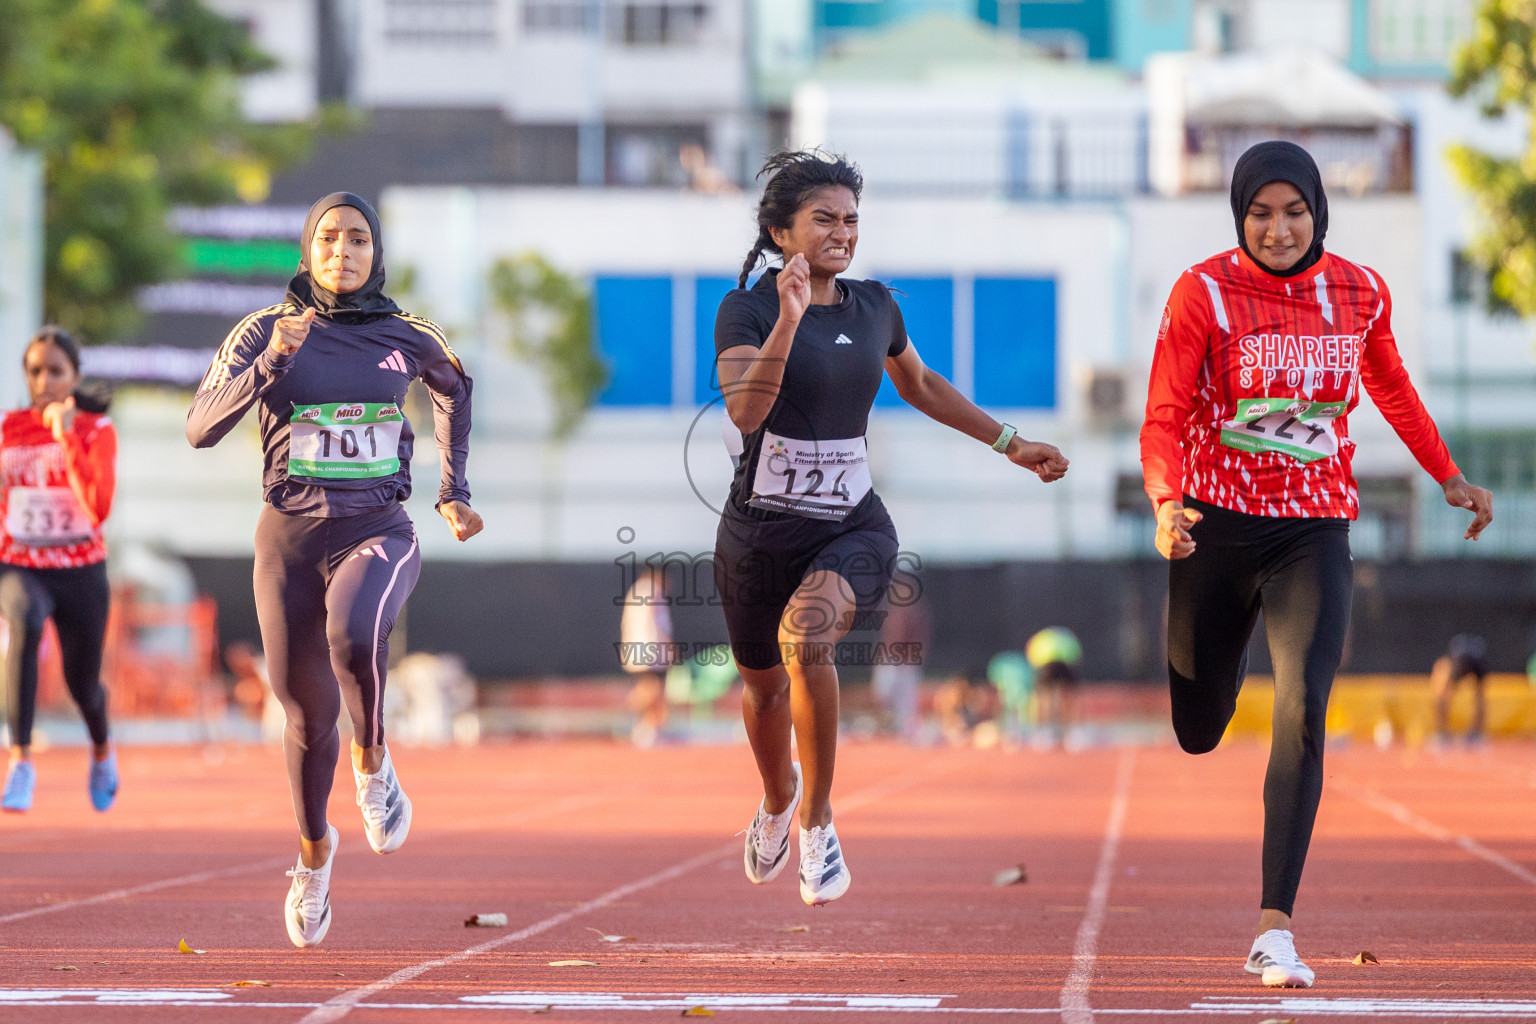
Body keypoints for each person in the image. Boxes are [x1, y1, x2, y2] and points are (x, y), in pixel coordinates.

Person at [1141, 141, 1494, 988]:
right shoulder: (1204, 293)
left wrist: (1446, 473)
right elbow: (1163, 412)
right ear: (1239, 218)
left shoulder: (1360, 291)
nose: (1278, 228)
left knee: (1303, 708)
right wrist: (1166, 501)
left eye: (1294, 210)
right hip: (1215, 528)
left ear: (1318, 211)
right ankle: (1208, 692)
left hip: (1314, 529)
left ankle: (1275, 928)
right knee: (1199, 727)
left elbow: (1394, 388)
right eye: (1260, 213)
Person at [714, 150, 1069, 905]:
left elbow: (922, 384)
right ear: (782, 232)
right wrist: (788, 316)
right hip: (757, 535)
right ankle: (778, 800)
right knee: (763, 691)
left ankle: (818, 822)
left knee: (806, 639)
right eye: (824, 220)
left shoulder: (877, 306)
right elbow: (746, 410)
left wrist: (1011, 443)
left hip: (852, 526)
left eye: (851, 220)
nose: (843, 233)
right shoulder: (744, 310)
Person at [186, 192, 481, 947]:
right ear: (306, 249)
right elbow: (199, 428)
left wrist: (454, 491)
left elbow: (455, 389)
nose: (341, 251)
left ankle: (375, 759)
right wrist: (273, 364)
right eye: (327, 238)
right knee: (305, 714)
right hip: (288, 542)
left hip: (379, 530)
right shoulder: (263, 329)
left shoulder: (407, 334)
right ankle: (315, 854)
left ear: (375, 253)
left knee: (355, 635)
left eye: (356, 239)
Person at [0, 327, 118, 813]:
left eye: (55, 371)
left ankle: (102, 749)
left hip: (81, 572)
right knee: (24, 621)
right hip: (19, 565)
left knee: (82, 685)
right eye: (34, 371)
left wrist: (65, 434)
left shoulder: (96, 430)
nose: (43, 380)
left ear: (75, 376)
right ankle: (21, 761)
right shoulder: (8, 427)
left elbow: (97, 508)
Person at [1024, 626, 1082, 747]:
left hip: (1047, 665)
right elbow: (1077, 654)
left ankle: (1044, 732)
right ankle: (1067, 733)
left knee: (1045, 698)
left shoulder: (1040, 638)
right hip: (1062, 665)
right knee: (1066, 698)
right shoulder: (1067, 636)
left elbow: (1031, 654)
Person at [1432, 633, 1488, 745]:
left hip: (1467, 661)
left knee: (1442, 695)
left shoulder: (1448, 664)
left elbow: (1440, 696)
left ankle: (1443, 734)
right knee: (1479, 697)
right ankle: (1474, 734)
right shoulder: (1450, 663)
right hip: (1471, 660)